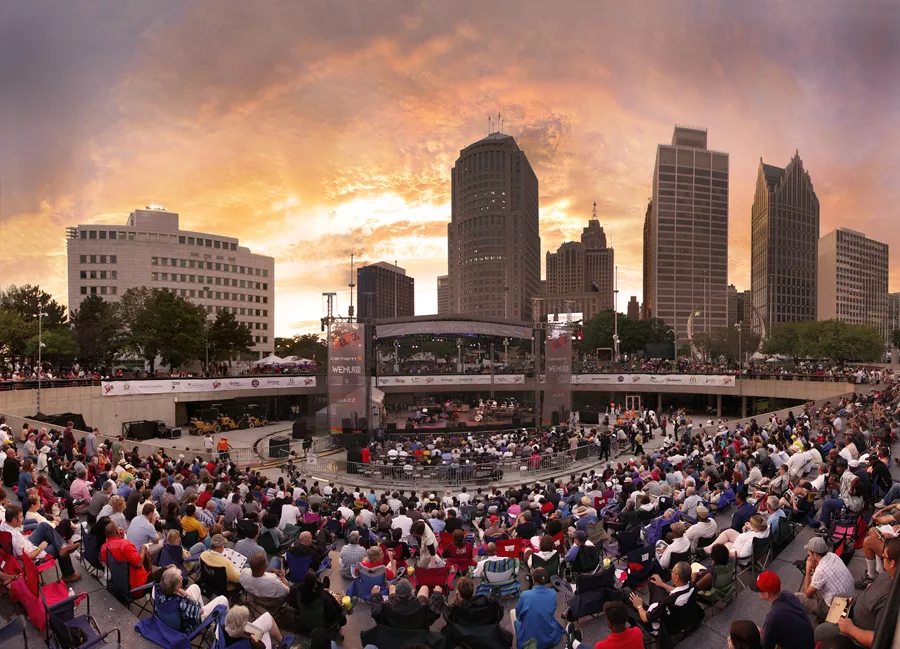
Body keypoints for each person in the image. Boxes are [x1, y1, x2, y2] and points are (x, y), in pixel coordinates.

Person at [814, 537, 899, 648]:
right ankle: (831, 620)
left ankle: (828, 631)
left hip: (856, 628)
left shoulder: (889, 598)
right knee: (838, 597)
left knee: (820, 631)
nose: (882, 559)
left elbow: (877, 639)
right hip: (855, 607)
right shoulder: (890, 574)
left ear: (892, 563)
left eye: (884, 557)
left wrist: (851, 629)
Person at [0, 506, 81, 583]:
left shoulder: (3, 525)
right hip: (33, 557)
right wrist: (40, 548)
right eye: (21, 517)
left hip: (27, 543)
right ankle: (68, 575)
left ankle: (62, 547)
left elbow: (19, 542)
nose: (23, 519)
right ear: (14, 520)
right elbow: (27, 557)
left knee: (43, 525)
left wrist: (27, 537)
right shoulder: (15, 536)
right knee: (56, 547)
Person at [627, 562, 703, 641]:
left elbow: (646, 618)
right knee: (652, 580)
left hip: (667, 626)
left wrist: (639, 606)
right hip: (686, 617)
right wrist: (662, 584)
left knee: (630, 597)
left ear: (677, 577)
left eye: (672, 571)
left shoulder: (669, 601)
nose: (671, 573)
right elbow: (680, 592)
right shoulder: (692, 586)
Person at [797, 537, 855, 621]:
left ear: (815, 554)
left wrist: (807, 570)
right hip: (850, 601)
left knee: (798, 596)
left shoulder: (820, 570)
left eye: (809, 552)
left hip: (838, 612)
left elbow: (807, 594)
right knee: (811, 587)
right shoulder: (833, 556)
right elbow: (820, 578)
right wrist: (814, 569)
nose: (808, 554)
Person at [756, 570, 815, 649]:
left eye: (759, 590)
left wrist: (759, 635)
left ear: (767, 594)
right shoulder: (788, 594)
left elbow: (766, 646)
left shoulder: (773, 617)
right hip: (809, 640)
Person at [514, 567, 565, 649]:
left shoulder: (525, 595)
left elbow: (518, 616)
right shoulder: (553, 593)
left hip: (532, 641)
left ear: (533, 580)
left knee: (514, 616)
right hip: (550, 638)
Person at [369, 578, 444, 630]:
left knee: (392, 587)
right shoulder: (423, 606)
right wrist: (437, 594)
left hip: (394, 628)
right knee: (424, 587)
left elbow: (376, 612)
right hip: (417, 632)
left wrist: (375, 595)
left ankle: (395, 590)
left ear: (396, 595)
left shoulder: (386, 606)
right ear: (411, 594)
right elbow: (435, 611)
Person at [568, 601, 644, 649]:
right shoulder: (637, 632)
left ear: (609, 623)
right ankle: (574, 643)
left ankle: (573, 643)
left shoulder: (601, 646)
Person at [100, 521, 152, 590]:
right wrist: (143, 548)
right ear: (117, 531)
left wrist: (121, 538)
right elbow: (139, 564)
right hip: (137, 585)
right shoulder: (125, 544)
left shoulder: (103, 548)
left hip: (119, 582)